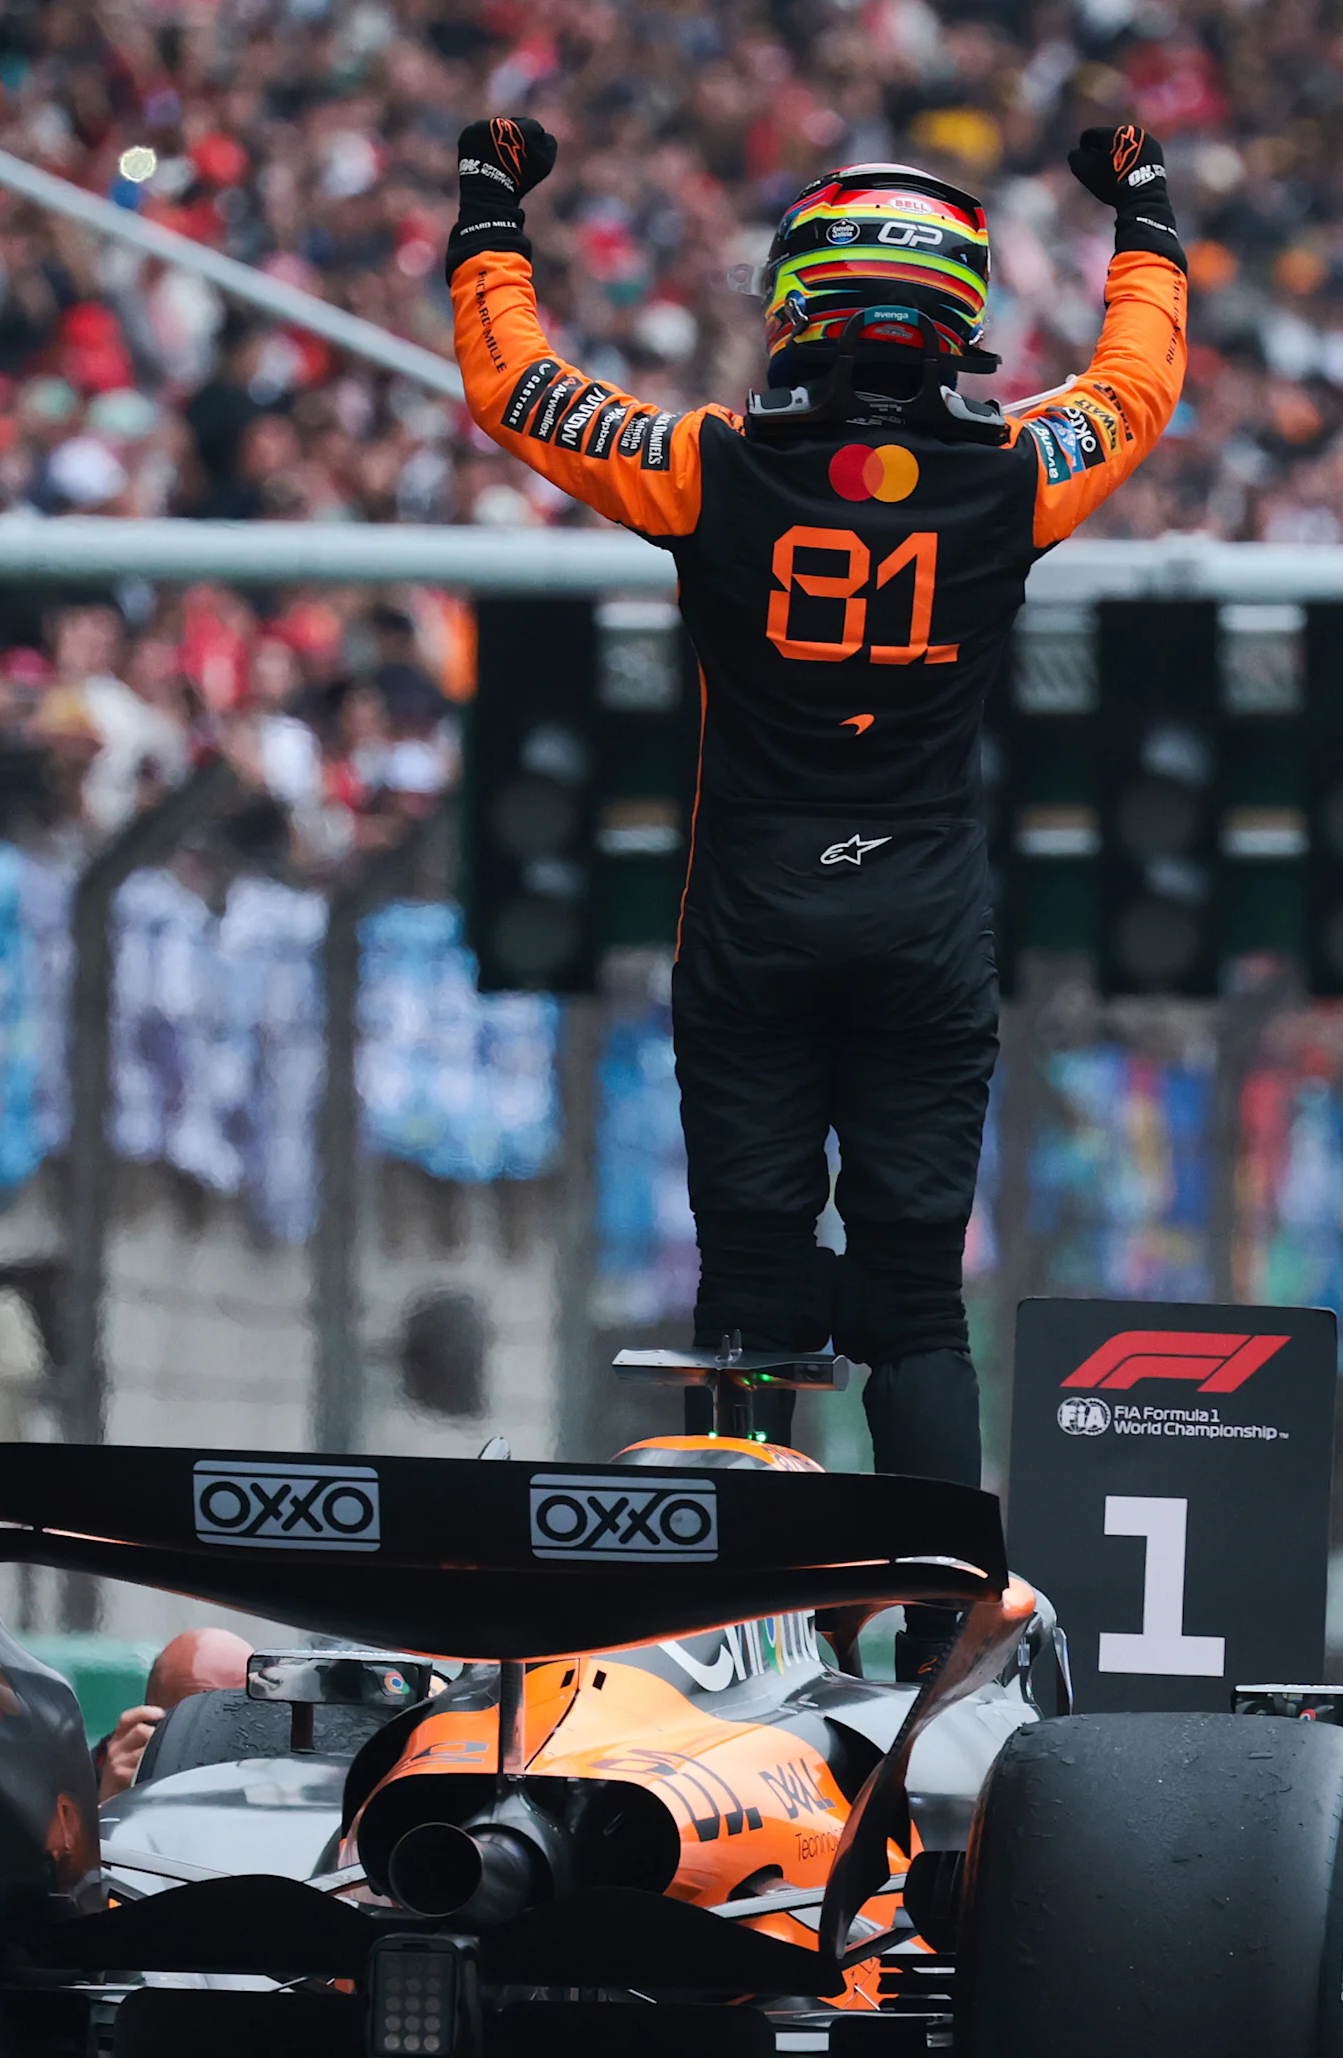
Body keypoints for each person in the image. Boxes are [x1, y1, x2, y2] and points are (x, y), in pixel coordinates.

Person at [444, 116, 1184, 1596]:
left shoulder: (706, 467)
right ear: (961, 314)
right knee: (916, 1303)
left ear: (797, 298)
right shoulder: (1015, 478)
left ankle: (745, 1628)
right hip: (925, 923)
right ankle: (935, 1645)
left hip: (751, 917)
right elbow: (1139, 387)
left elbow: (514, 389)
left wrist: (489, 217)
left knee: (757, 1284)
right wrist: (1146, 213)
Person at [91, 1624, 260, 1800]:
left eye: (238, 1719)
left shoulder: (278, 1769)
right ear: (151, 1722)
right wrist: (115, 1801)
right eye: (196, 1721)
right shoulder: (83, 1779)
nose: (217, 1745)